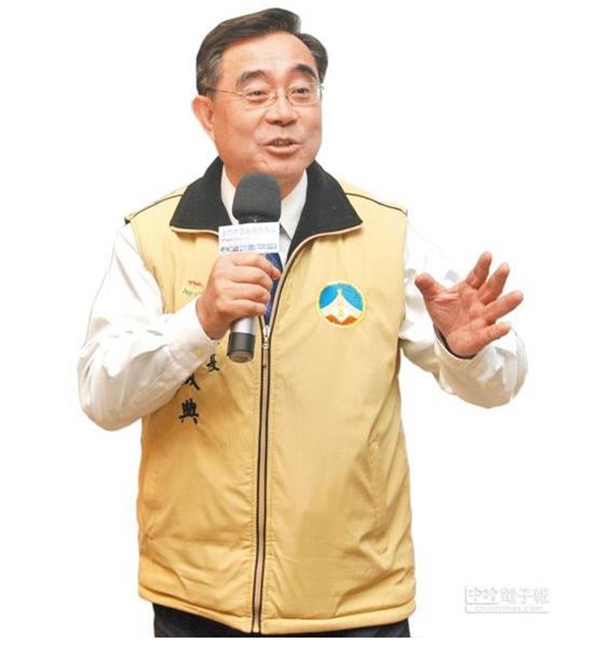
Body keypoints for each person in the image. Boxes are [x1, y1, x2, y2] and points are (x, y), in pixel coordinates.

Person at [77, 7, 526, 638]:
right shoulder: (152, 237)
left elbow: (498, 385)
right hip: (197, 601)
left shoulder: (385, 236)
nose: (284, 112)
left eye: (302, 90)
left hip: (356, 602)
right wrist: (199, 321)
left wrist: (465, 351)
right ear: (206, 113)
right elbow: (101, 396)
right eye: (256, 92)